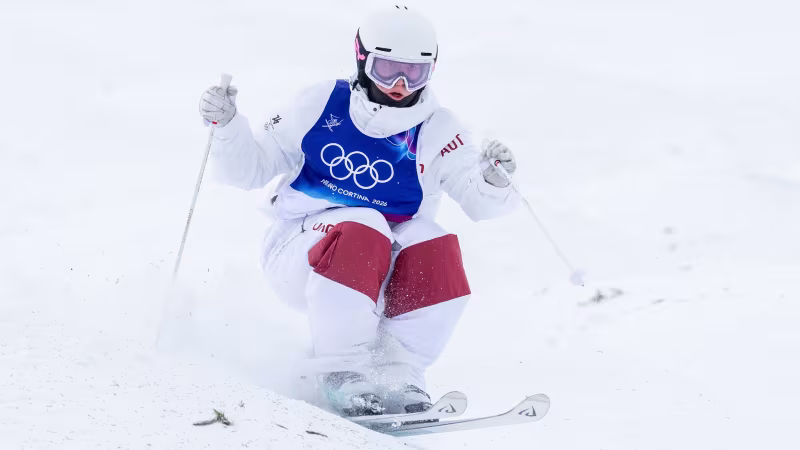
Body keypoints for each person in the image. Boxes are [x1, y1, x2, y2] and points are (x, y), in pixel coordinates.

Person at [198, 4, 520, 417]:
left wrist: (493, 180)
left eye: (414, 73)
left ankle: (399, 374)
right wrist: (228, 129)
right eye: (387, 70)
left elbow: (479, 203)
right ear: (362, 58)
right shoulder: (321, 103)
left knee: (436, 244)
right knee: (364, 223)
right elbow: (250, 170)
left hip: (382, 271)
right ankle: (339, 371)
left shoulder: (439, 130)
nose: (400, 85)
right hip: (300, 252)